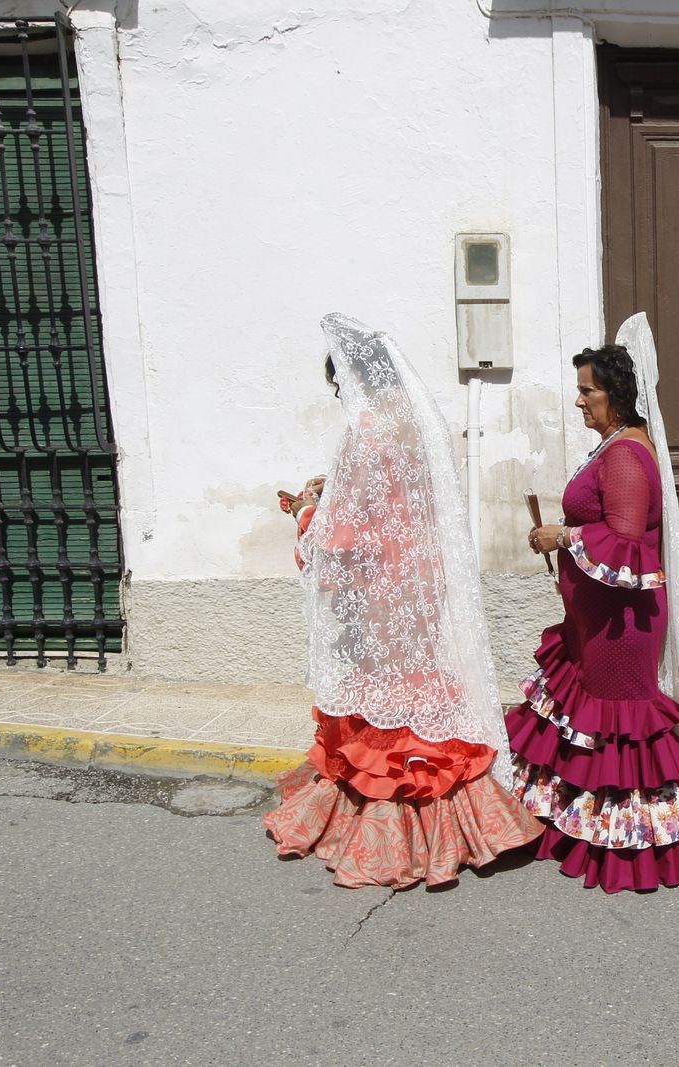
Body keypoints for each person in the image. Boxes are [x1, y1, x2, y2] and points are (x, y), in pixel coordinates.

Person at [264, 313, 542, 888]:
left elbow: (343, 533)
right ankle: (463, 822)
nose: (342, 397)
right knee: (420, 686)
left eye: (339, 386)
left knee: (388, 695)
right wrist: (336, 488)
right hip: (419, 577)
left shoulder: (367, 429)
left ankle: (392, 831)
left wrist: (306, 510)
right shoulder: (411, 419)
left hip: (380, 588)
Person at [509, 318, 679, 892]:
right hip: (600, 617)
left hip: (621, 625)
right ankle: (590, 830)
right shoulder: (613, 445)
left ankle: (636, 850)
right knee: (594, 725)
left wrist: (562, 536)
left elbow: (627, 538)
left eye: (588, 391)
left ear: (619, 396)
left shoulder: (628, 455)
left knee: (620, 726)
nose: (579, 400)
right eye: (580, 389)